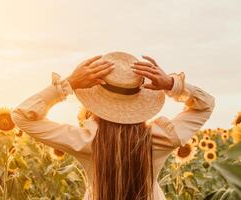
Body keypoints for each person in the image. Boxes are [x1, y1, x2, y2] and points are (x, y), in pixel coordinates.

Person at [11, 51, 215, 200]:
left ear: (96, 100)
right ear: (140, 96)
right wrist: (173, 84)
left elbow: (22, 116)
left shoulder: (84, 141)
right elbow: (205, 106)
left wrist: (69, 83)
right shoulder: (162, 138)